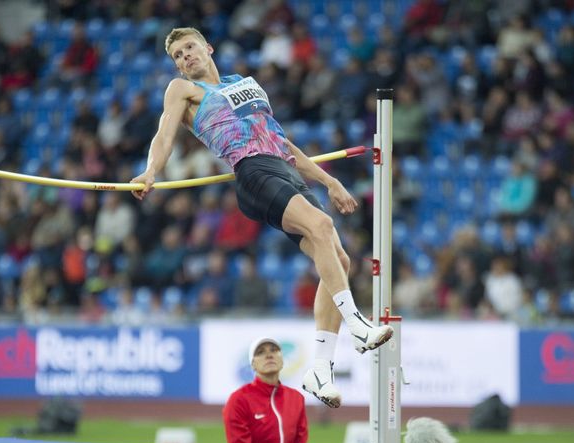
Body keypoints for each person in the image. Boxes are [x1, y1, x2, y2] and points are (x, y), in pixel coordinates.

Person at [130, 27, 393, 408]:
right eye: (177, 55)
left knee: (339, 259)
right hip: (252, 172)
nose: (184, 57)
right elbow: (163, 134)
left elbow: (281, 142)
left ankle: (320, 369)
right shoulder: (182, 90)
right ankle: (357, 324)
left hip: (280, 167)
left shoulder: (247, 83)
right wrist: (151, 171)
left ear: (208, 47)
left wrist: (328, 180)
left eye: (189, 48)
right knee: (322, 226)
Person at [223, 337, 307, 443]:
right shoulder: (239, 400)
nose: (269, 355)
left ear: (282, 360)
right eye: (260, 352)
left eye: (274, 350)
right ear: (253, 364)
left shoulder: (296, 398)